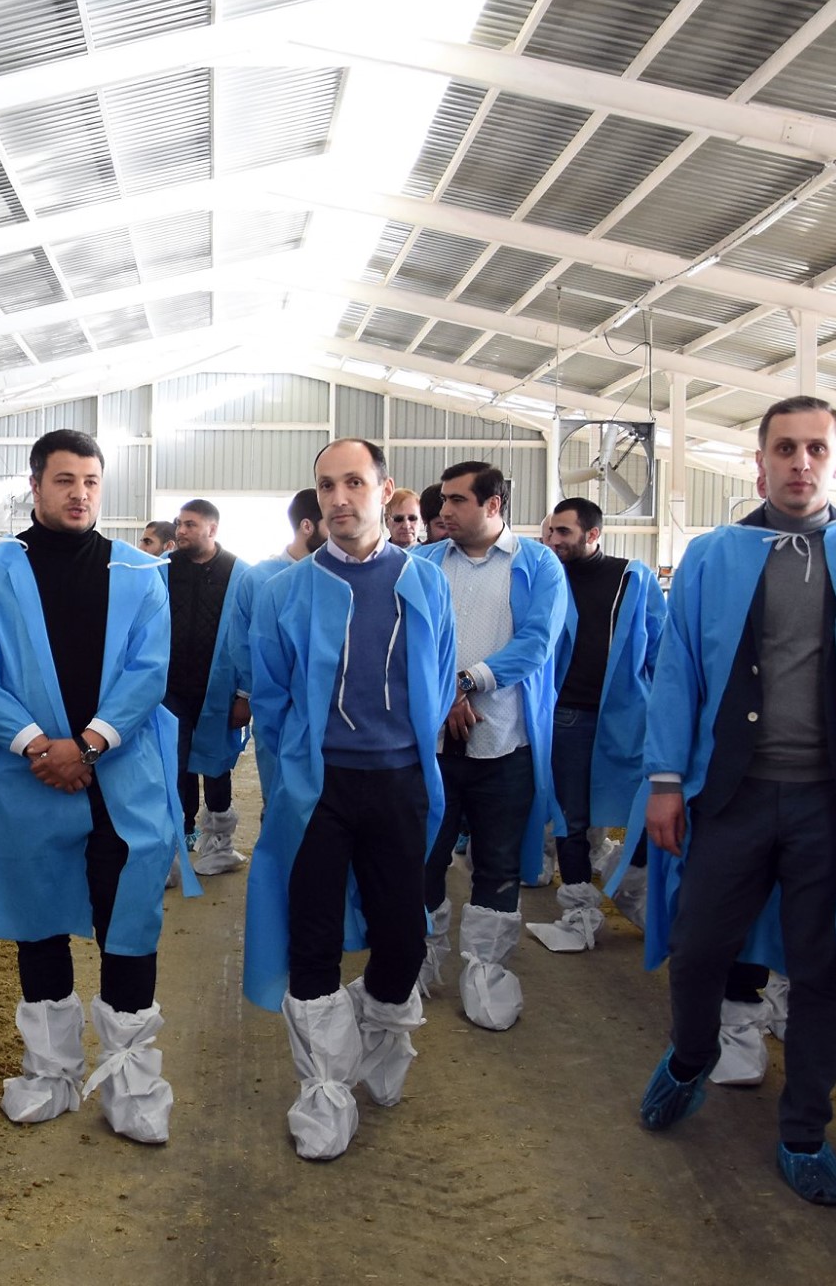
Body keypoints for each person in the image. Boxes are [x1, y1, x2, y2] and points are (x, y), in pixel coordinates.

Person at [634, 397, 836, 1207]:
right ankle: (691, 1057)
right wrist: (664, 780)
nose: (800, 463)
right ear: (760, 462)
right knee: (699, 946)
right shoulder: (713, 556)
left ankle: (804, 1132)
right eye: (784, 448)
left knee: (824, 967)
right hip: (732, 794)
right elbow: (678, 671)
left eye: (815, 449)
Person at [0, 429, 191, 1145]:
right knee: (39, 921)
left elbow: (149, 671)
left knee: (130, 920)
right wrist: (37, 745)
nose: (80, 493)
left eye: (90, 481)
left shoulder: (141, 572)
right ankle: (50, 1073)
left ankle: (131, 1082)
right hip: (26, 774)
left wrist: (86, 745)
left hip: (119, 773)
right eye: (64, 480)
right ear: (35, 486)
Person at [243, 440, 456, 1160]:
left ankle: (373, 1028)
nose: (339, 498)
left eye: (355, 483)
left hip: (400, 783)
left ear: (385, 490)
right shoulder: (285, 592)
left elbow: (441, 678)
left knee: (403, 939)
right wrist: (286, 789)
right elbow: (271, 703)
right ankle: (325, 1088)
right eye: (327, 486)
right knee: (313, 940)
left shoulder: (424, 584)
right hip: (318, 789)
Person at [414, 461, 565, 1031]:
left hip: (504, 742)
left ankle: (485, 972)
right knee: (423, 856)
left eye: (456, 500)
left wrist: (468, 681)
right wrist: (445, 695)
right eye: (443, 500)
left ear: (493, 504)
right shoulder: (425, 562)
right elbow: (409, 641)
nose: (443, 510)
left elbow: (537, 641)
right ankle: (417, 964)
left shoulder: (538, 565)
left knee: (497, 863)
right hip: (431, 745)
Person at [530, 497, 665, 955]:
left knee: (643, 810)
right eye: (550, 531)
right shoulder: (548, 578)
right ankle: (579, 915)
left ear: (592, 534)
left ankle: (632, 889)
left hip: (628, 715)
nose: (553, 540)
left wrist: (662, 706)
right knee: (570, 817)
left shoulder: (633, 578)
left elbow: (659, 646)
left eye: (563, 532)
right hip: (566, 714)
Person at [192, 488, 329, 874]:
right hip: (279, 714)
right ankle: (283, 883)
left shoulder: (341, 575)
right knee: (281, 799)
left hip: (334, 716)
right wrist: (248, 695)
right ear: (307, 525)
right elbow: (241, 645)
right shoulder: (261, 579)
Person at [165, 499, 244, 873]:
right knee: (174, 764)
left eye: (190, 525)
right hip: (171, 689)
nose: (180, 531)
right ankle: (174, 845)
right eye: (179, 523)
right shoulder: (164, 569)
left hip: (219, 688)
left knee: (216, 765)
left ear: (212, 529)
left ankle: (219, 846)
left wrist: (245, 694)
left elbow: (250, 636)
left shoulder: (238, 573)